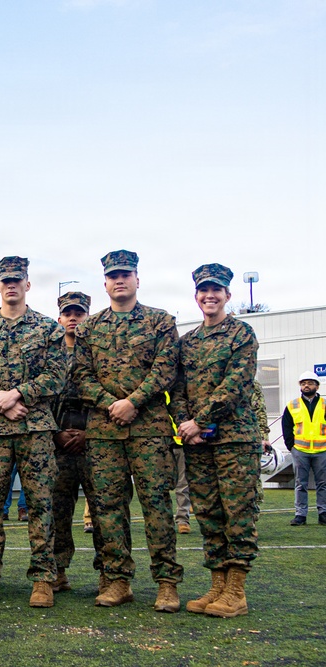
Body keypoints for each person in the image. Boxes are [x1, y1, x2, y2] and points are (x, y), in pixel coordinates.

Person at [72, 249, 183, 612]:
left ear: (138, 279)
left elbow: (166, 370)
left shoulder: (160, 322)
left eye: (126, 274)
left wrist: (133, 401)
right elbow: (80, 377)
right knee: (108, 508)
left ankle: (167, 583)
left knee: (156, 506)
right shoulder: (90, 328)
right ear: (105, 283)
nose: (120, 280)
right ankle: (118, 580)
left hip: (149, 429)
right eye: (113, 276)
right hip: (104, 432)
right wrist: (111, 404)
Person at [0, 256, 66, 607]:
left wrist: (19, 393)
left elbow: (57, 375)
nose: (11, 285)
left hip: (35, 430)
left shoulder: (48, 328)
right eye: (5, 280)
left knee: (41, 504)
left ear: (27, 285)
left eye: (16, 280)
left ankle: (42, 580)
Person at [170, 263, 262, 617]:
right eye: (203, 290)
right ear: (196, 297)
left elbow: (235, 385)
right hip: (197, 443)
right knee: (208, 512)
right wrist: (184, 423)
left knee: (237, 512)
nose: (210, 296)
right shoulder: (187, 342)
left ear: (227, 295)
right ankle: (217, 586)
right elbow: (176, 389)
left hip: (234, 440)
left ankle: (236, 590)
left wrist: (200, 420)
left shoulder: (241, 334)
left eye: (216, 290)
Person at [51, 291, 103, 593]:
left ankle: (108, 573)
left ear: (88, 317)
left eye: (79, 313)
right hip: (58, 440)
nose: (73, 318)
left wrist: (89, 432)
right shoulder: (50, 353)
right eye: (68, 313)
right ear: (60, 318)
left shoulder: (99, 351)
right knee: (58, 510)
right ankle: (58, 570)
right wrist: (56, 432)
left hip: (95, 439)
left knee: (103, 509)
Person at [281, 371, 326, 526]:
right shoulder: (292, 405)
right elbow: (286, 427)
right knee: (301, 483)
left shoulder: (325, 405)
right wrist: (291, 447)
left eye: (310, 383)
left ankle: (323, 513)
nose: (306, 385)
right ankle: (300, 515)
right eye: (303, 383)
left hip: (322, 450)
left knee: (323, 483)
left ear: (317, 386)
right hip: (300, 450)